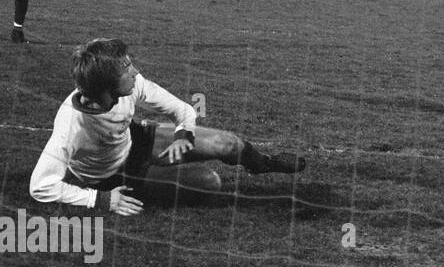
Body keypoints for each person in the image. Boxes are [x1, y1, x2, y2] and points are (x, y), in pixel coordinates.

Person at [29, 38, 307, 215]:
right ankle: (154, 177)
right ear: (106, 84)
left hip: (135, 140)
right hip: (113, 176)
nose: (135, 72)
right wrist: (99, 200)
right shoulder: (71, 124)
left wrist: (182, 135)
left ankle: (261, 163)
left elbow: (181, 109)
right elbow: (40, 186)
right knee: (210, 182)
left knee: (230, 144)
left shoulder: (132, 86)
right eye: (126, 68)